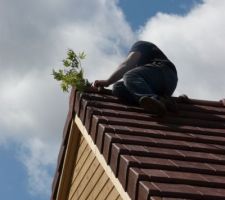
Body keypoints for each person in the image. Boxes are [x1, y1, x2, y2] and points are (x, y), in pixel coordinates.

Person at [94, 41, 178, 116]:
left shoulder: (139, 45)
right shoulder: (143, 69)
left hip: (163, 71)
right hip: (166, 85)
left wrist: (107, 82)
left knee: (129, 75)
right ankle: (163, 102)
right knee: (118, 88)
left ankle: (155, 99)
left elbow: (127, 64)